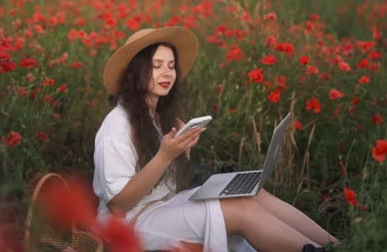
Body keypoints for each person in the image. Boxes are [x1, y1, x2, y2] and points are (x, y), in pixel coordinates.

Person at [92, 26, 338, 252]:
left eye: (171, 65)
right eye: (156, 65)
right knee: (240, 210)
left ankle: (336, 245)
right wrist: (166, 155)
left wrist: (181, 154)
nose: (167, 72)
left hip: (164, 207)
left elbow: (167, 185)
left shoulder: (155, 117)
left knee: (251, 193)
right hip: (132, 224)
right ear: (137, 71)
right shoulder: (117, 125)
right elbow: (118, 206)